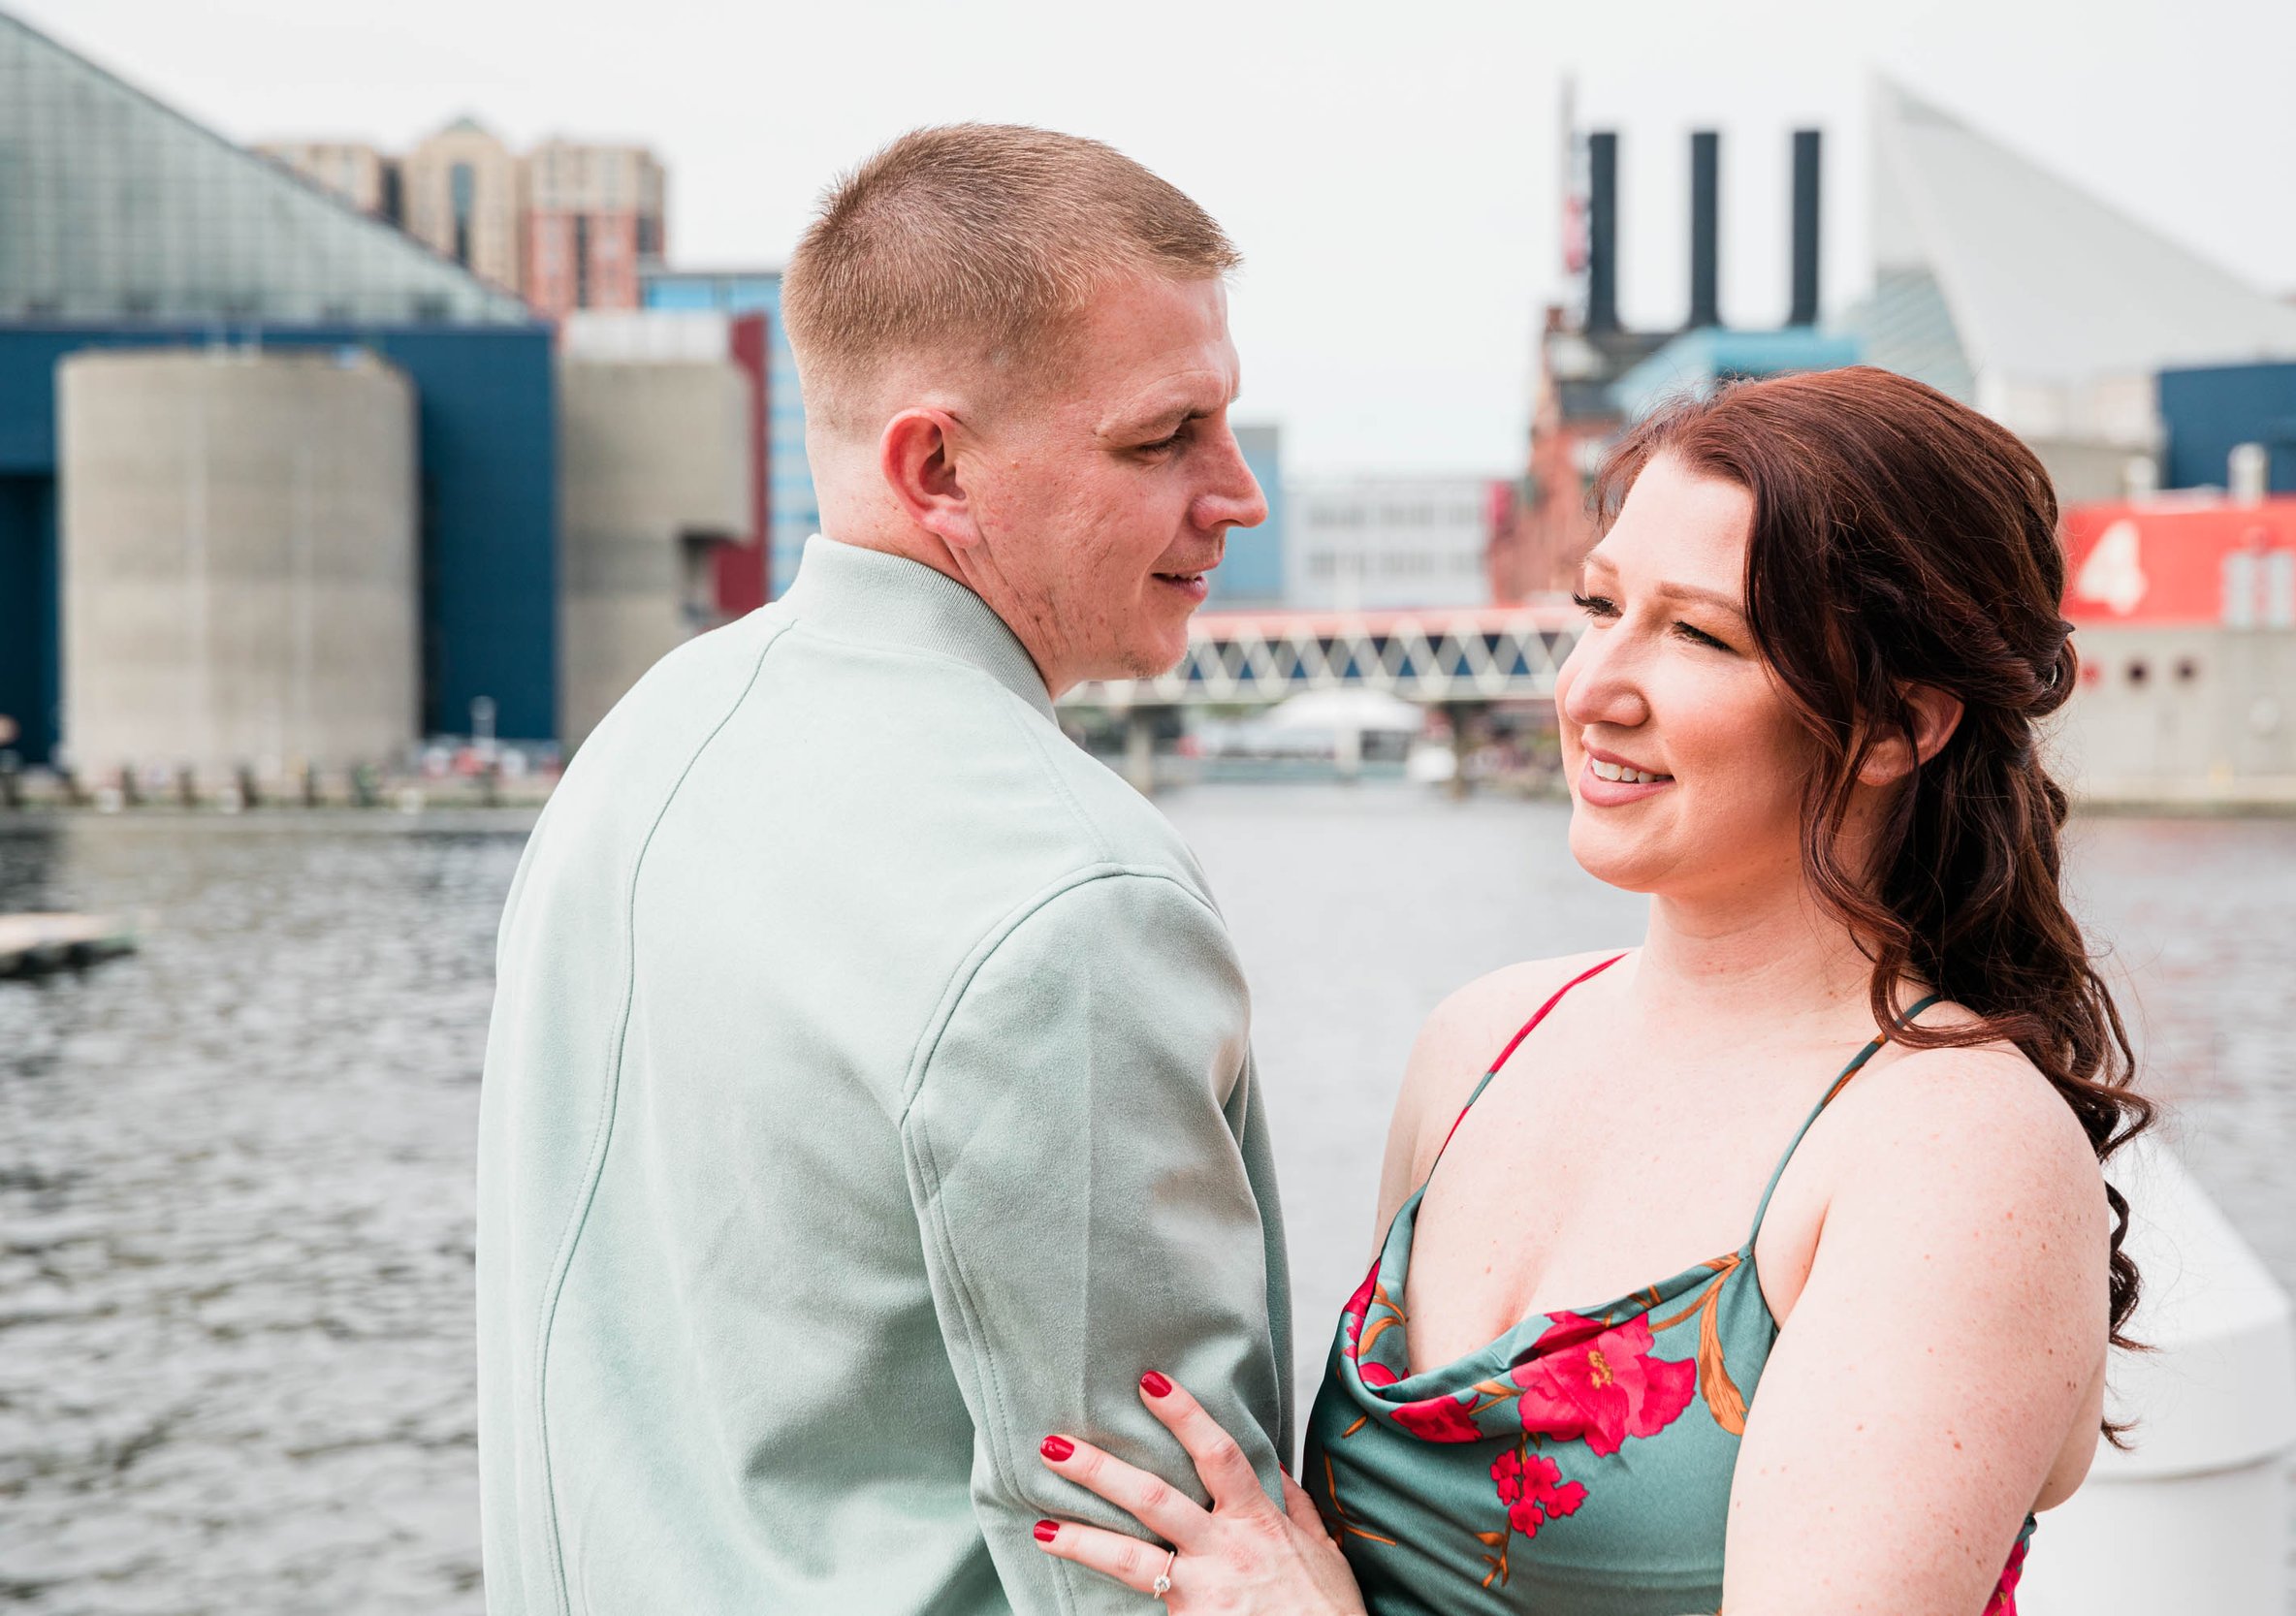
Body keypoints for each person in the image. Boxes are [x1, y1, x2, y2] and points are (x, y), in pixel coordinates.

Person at [1029, 366, 2151, 1616]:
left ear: (1897, 725)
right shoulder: (1484, 1040)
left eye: (1700, 635)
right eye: (1599, 606)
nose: (1592, 689)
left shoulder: (1953, 1150)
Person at [475, 125, 1293, 1614]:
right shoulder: (1070, 900)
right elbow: (1157, 1560)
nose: (1237, 494)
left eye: (1225, 426)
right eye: (1162, 436)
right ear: (939, 466)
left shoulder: (648, 742)